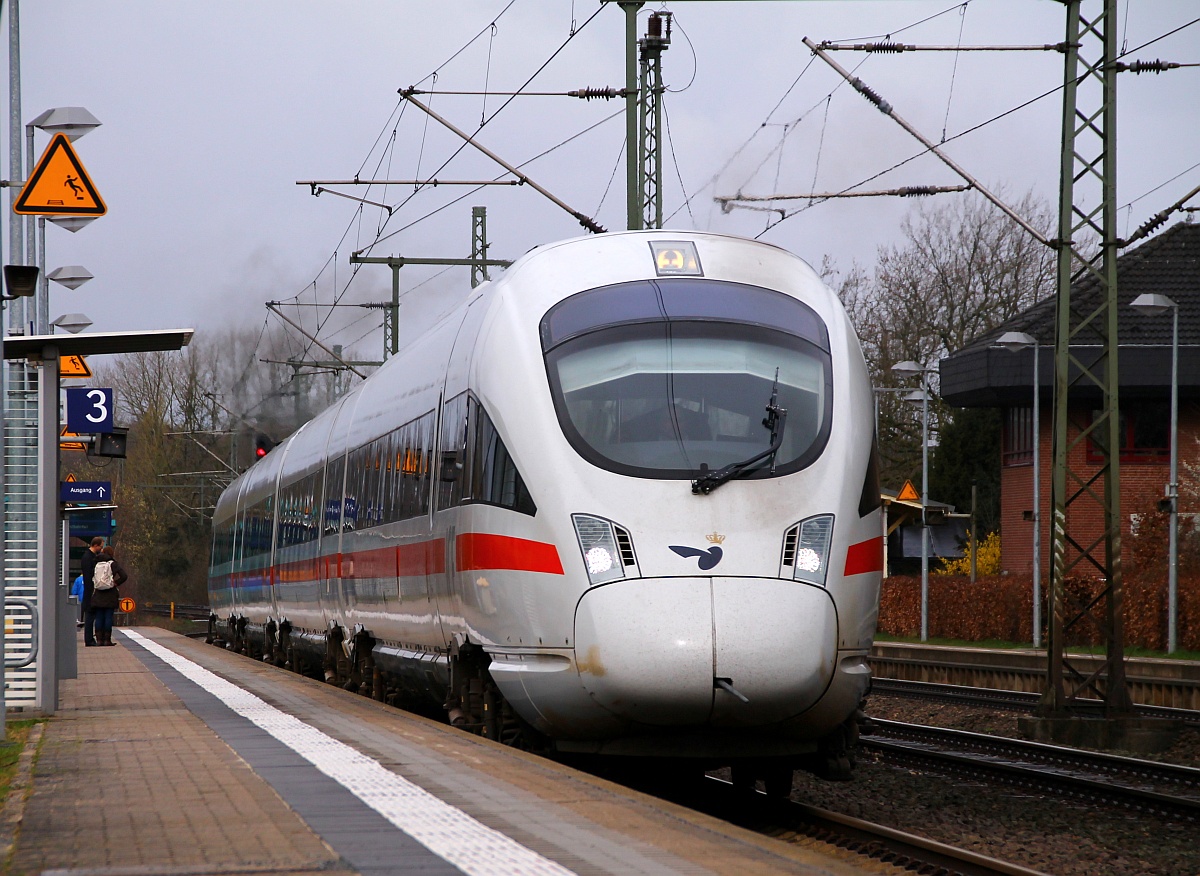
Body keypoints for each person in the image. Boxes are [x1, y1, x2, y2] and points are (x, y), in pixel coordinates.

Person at [90, 546, 128, 647]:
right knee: (108, 617)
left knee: (98, 617)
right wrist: (116, 583)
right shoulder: (113, 563)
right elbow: (124, 576)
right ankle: (107, 640)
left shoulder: (96, 562)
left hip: (98, 593)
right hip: (110, 593)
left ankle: (99, 640)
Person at [79, 537, 105, 647]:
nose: (101, 548)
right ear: (95, 545)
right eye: (100, 546)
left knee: (91, 616)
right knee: (89, 617)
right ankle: (89, 640)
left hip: (90, 591)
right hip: (90, 592)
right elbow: (88, 576)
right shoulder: (88, 557)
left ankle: (90, 639)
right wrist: (92, 591)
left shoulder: (90, 556)